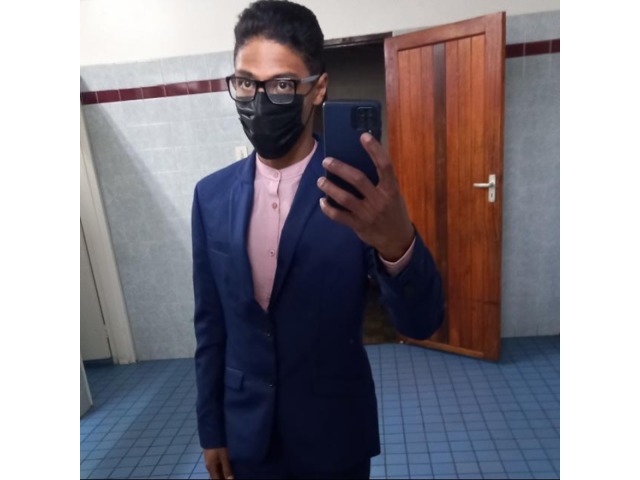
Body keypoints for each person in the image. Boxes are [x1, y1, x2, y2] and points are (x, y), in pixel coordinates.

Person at [191, 1, 444, 478]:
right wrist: (212, 429)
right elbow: (210, 326)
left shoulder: (358, 191)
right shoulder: (211, 196)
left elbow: (421, 322)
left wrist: (398, 246)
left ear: (319, 88)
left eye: (283, 85)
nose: (259, 101)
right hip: (247, 433)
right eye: (245, 82)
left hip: (334, 433)